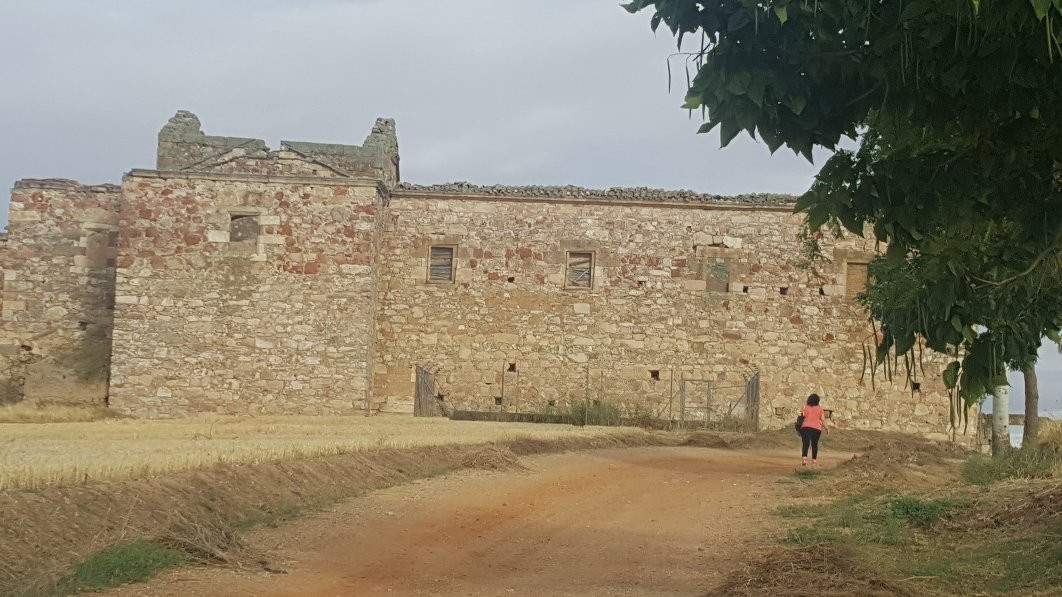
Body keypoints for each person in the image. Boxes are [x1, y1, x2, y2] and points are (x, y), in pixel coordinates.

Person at [799, 393, 829, 466]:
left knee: (806, 443)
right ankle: (814, 461)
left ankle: (804, 459)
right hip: (816, 428)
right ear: (817, 400)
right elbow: (823, 420)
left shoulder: (805, 407)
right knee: (814, 444)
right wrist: (827, 428)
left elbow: (801, 415)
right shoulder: (820, 409)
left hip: (805, 427)